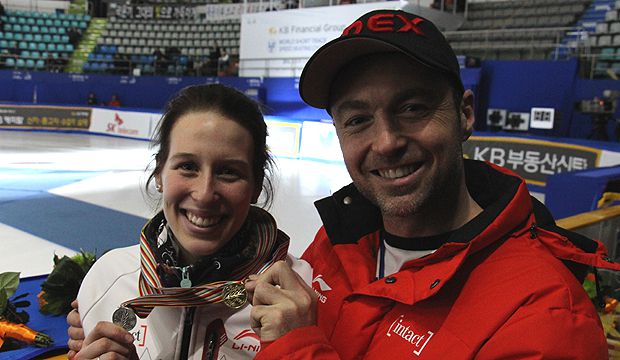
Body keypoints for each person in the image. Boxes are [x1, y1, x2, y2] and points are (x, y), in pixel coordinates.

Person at [244, 9, 619, 359]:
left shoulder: (546, 316)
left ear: (465, 114)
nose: (387, 142)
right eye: (358, 119)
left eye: (413, 108)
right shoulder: (340, 237)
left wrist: (295, 346)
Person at [67, 84, 311, 359]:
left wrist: (296, 345)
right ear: (160, 172)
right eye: (187, 166)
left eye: (229, 172)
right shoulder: (107, 279)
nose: (205, 194)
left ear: (256, 185)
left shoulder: (299, 298)